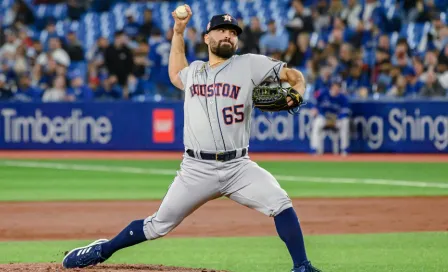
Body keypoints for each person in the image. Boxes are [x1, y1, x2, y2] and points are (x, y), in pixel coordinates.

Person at [62, 6, 321, 272]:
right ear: (207, 37)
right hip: (196, 169)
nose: (228, 36)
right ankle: (101, 251)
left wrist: (298, 91)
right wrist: (178, 31)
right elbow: (176, 66)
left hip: (238, 166)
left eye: (232, 33)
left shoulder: (251, 64)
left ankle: (302, 266)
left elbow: (294, 76)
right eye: (221, 31)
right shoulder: (194, 72)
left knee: (280, 202)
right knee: (156, 226)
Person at [310, 76, 350, 156]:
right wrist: (314, 108)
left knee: (345, 122)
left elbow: (346, 111)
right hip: (324, 118)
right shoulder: (323, 93)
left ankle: (344, 149)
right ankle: (314, 149)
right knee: (317, 122)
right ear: (331, 85)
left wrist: (336, 119)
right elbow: (314, 102)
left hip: (337, 120)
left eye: (338, 86)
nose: (336, 87)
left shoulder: (343, 98)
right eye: (335, 85)